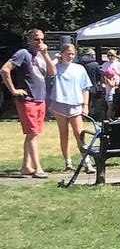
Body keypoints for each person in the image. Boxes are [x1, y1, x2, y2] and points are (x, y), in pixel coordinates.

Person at [1, 29, 56, 178]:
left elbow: (53, 73)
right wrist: (13, 90)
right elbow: (5, 70)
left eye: (42, 39)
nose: (40, 43)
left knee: (34, 134)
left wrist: (45, 55)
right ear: (29, 40)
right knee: (32, 134)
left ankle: (26, 166)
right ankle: (37, 168)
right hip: (27, 99)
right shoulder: (22, 54)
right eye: (36, 40)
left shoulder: (41, 55)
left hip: (40, 98)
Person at [49, 43, 93, 173]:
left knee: (79, 134)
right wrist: (57, 59)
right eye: (67, 53)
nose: (70, 56)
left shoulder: (79, 69)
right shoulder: (57, 67)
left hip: (75, 104)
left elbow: (86, 88)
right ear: (62, 54)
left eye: (72, 54)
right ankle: (67, 162)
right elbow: (49, 68)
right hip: (59, 103)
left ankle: (86, 162)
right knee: (64, 134)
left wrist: (85, 105)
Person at [77, 47, 105, 121]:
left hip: (79, 86)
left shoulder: (79, 63)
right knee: (90, 103)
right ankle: (87, 116)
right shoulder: (95, 64)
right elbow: (99, 75)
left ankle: (80, 116)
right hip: (92, 86)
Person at [100, 50, 120, 120]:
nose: (110, 57)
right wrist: (102, 83)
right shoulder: (105, 65)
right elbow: (102, 75)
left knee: (117, 102)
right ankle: (109, 117)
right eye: (108, 56)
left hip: (117, 84)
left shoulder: (118, 64)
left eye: (112, 56)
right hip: (109, 86)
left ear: (115, 56)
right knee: (110, 103)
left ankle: (115, 115)